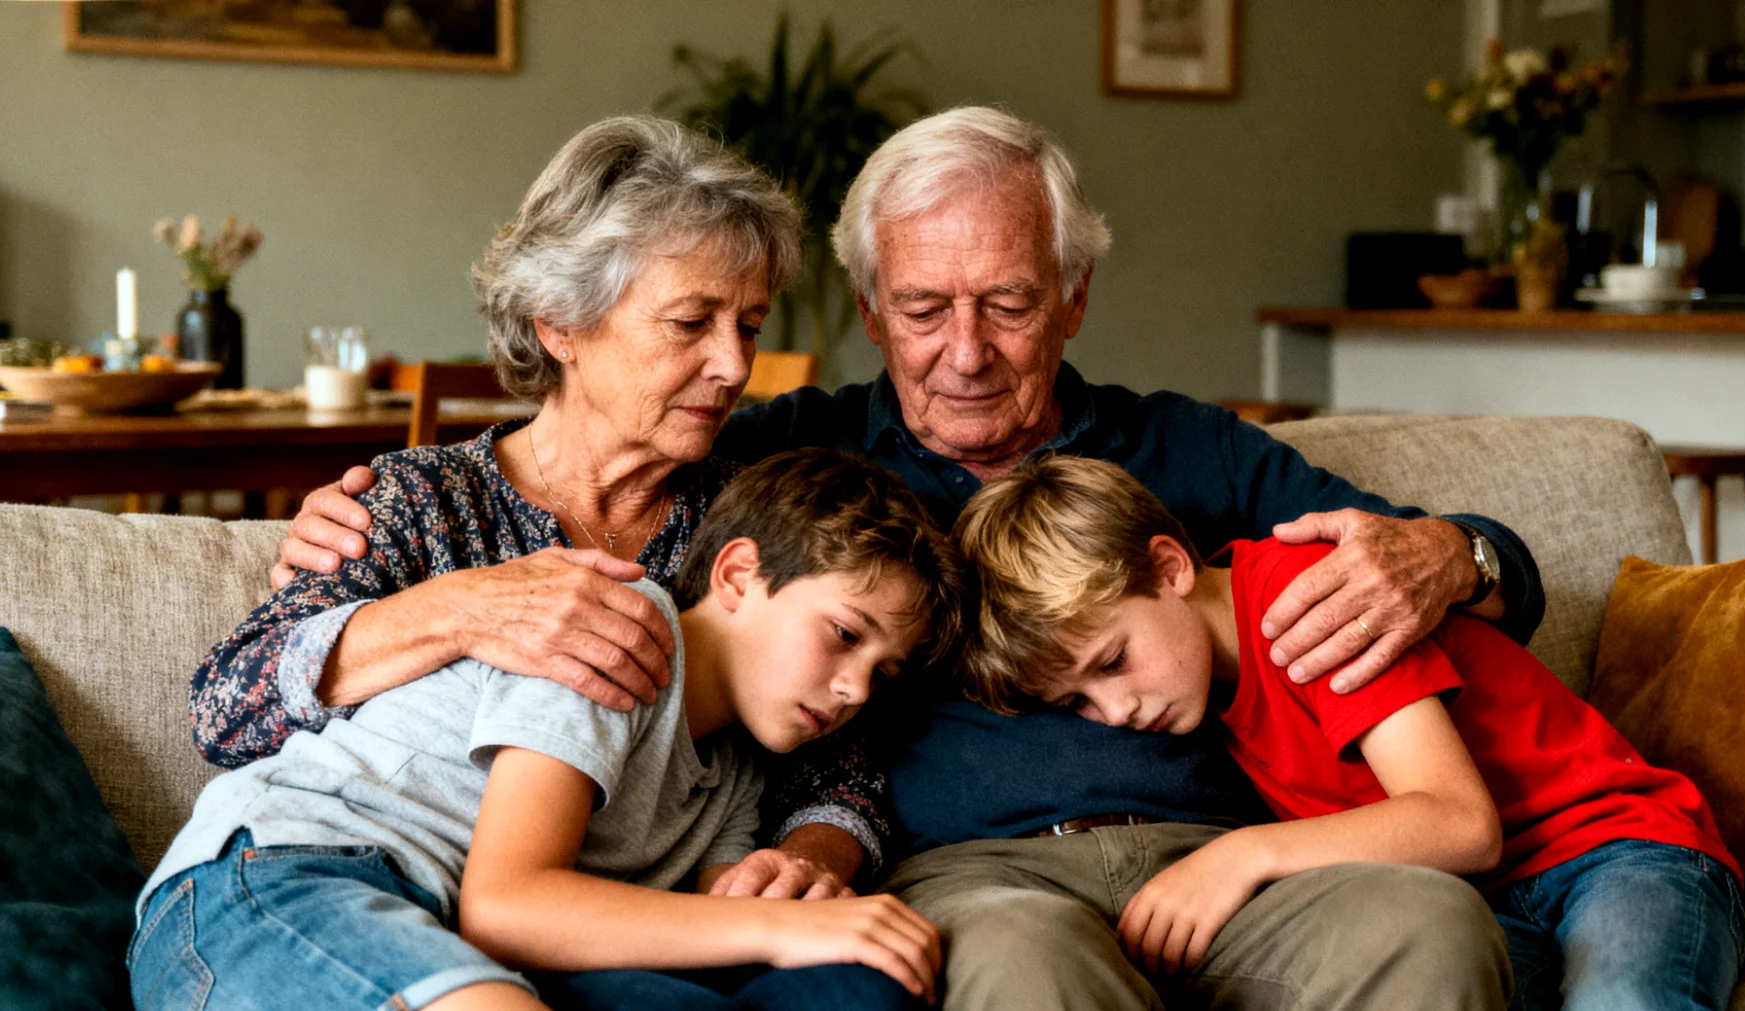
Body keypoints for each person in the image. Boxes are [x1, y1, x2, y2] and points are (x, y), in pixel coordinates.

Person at [257, 106, 1550, 1010]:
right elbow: (601, 444)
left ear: (1075, 298)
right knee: (1024, 970)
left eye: (1010, 303)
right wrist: (382, 527)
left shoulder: (1189, 448)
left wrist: (1461, 552)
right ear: (873, 313)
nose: (966, 351)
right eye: (924, 310)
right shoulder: (787, 460)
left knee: (1429, 926)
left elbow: (1481, 579)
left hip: (1227, 850)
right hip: (983, 879)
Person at [131, 448, 964, 1011]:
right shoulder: (622, 630)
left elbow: (710, 918)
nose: (855, 686)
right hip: (277, 883)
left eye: (883, 671)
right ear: (739, 574)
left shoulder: (741, 769)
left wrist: (805, 907)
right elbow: (507, 902)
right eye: (846, 635)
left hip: (434, 931)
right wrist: (786, 927)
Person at [954, 454, 1745, 1011]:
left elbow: (1460, 823)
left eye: (1113, 660)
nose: (1117, 710)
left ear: (1169, 568)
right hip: (1488, 902)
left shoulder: (1307, 606)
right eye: (1080, 701)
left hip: (1615, 849)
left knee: (1624, 1000)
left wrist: (1242, 855)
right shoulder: (1206, 689)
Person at [189, 114, 804, 770]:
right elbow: (226, 710)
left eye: (749, 325)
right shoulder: (426, 499)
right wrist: (462, 609)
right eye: (690, 322)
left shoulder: (749, 521)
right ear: (561, 325)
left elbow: (839, 770)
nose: (735, 366)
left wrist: (808, 859)